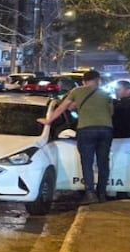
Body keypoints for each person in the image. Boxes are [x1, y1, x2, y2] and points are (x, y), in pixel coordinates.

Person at [39, 69, 113, 203]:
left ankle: (90, 194)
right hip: (106, 130)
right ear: (98, 80)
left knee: (87, 162)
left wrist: (48, 121)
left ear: (83, 81)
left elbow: (61, 108)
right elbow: (111, 112)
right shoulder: (106, 93)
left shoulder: (77, 91)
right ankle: (102, 194)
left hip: (86, 129)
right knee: (103, 162)